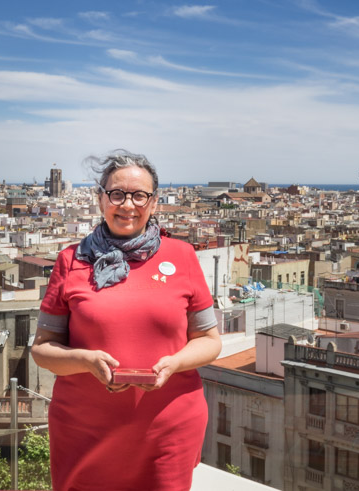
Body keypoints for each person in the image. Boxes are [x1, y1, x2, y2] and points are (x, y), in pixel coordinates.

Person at [32, 150, 221, 491]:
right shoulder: (70, 261)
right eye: (117, 194)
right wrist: (86, 361)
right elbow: (43, 350)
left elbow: (210, 341)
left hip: (168, 428)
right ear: (100, 198)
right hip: (84, 428)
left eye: (139, 195)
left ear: (155, 202)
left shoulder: (182, 256)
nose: (128, 205)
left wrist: (173, 363)